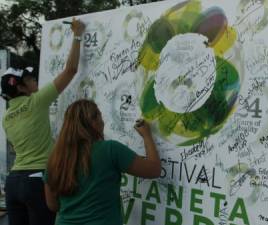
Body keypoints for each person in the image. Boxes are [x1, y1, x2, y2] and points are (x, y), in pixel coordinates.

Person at [1, 18, 85, 225]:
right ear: (21, 88)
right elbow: (71, 70)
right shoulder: (36, 102)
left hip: (13, 183)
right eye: (29, 79)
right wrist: (77, 35)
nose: (35, 81)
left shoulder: (6, 118)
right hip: (36, 181)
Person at [44, 99, 161, 225]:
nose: (103, 122)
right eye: (100, 116)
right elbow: (153, 169)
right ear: (94, 122)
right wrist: (147, 136)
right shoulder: (110, 150)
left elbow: (53, 205)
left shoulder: (56, 157)